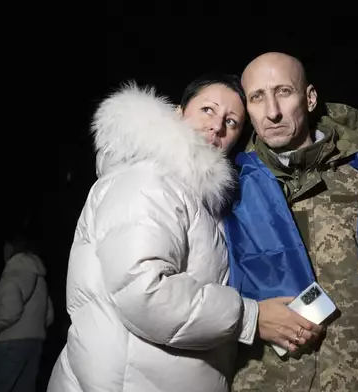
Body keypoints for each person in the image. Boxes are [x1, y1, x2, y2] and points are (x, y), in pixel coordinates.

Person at [47, 74, 309, 392]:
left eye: (232, 121)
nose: (217, 127)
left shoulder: (194, 195)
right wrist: (248, 317)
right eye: (207, 110)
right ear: (178, 112)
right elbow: (144, 290)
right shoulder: (149, 180)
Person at [223, 52, 358, 391]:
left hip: (354, 378)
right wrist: (248, 317)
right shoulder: (228, 185)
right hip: (261, 380)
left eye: (283, 92)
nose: (272, 111)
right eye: (257, 97)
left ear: (309, 98)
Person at [0, 237, 54, 392]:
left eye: (6, 248)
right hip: (36, 343)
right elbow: (49, 316)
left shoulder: (12, 275)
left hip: (11, 342)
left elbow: (9, 313)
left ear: (13, 250)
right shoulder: (40, 279)